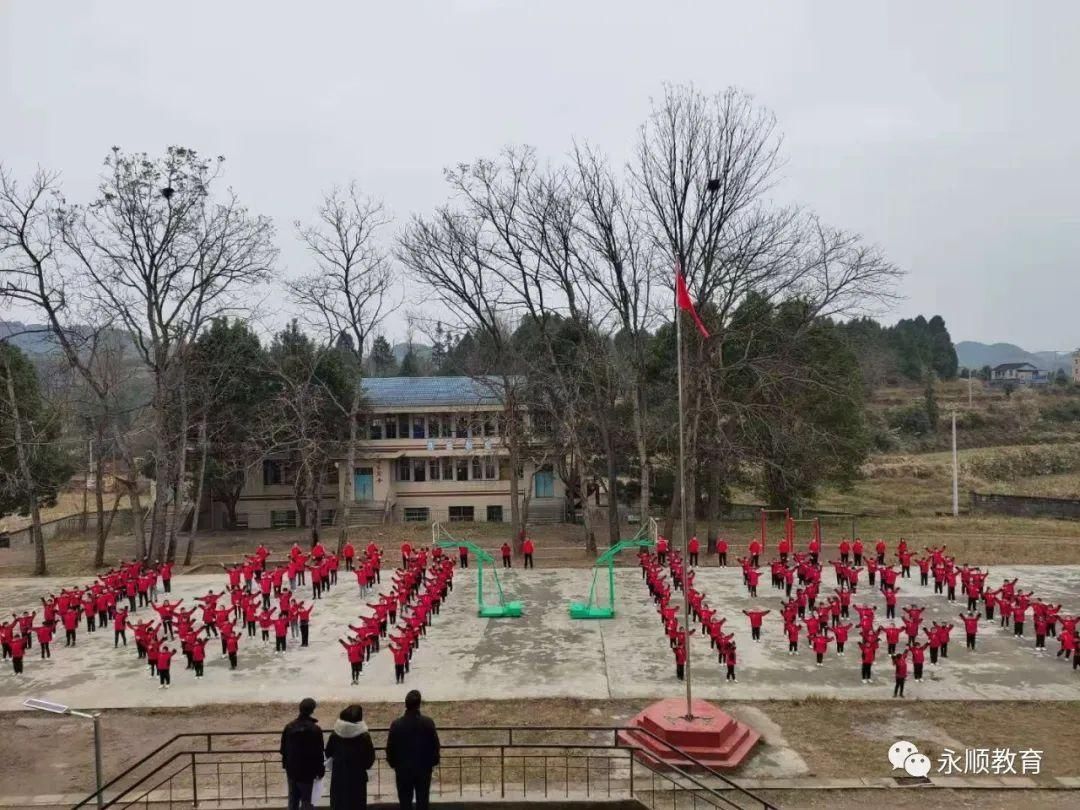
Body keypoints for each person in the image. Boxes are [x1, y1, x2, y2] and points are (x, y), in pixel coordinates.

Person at [386, 690, 441, 810]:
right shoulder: (427, 723)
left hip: (403, 770)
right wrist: (433, 762)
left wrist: (394, 764)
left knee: (405, 802)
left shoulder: (396, 724)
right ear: (419, 704)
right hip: (423, 769)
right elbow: (435, 746)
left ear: (406, 704)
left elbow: (390, 748)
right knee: (423, 801)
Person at [325, 704, 375, 809]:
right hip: (358, 777)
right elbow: (370, 759)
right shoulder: (364, 736)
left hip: (339, 775)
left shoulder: (335, 733)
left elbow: (328, 752)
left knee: (338, 803)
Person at [281, 698, 325, 810]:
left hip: (292, 770)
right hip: (308, 772)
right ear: (312, 710)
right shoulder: (316, 730)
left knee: (293, 800)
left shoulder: (289, 727)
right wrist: (320, 770)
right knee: (307, 801)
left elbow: (283, 749)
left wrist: (287, 765)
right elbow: (319, 753)